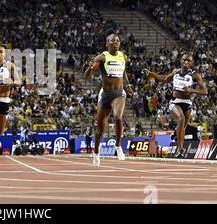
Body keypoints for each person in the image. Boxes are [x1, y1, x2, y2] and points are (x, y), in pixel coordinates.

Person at [142, 53, 207, 157]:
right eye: (184, 60)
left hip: (187, 103)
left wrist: (191, 90)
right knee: (181, 119)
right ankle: (180, 149)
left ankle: (176, 138)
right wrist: (151, 74)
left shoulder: (195, 75)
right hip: (175, 101)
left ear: (192, 63)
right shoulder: (175, 72)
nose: (186, 62)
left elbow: (205, 91)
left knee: (183, 127)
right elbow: (164, 78)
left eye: (189, 61)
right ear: (181, 60)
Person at [84, 34, 133, 167]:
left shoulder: (123, 57)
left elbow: (123, 73)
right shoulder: (102, 57)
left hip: (119, 93)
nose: (116, 42)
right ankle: (96, 152)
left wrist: (128, 86)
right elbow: (87, 75)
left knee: (118, 117)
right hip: (105, 94)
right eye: (112, 40)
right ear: (107, 43)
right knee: (100, 129)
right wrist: (89, 68)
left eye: (117, 40)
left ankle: (118, 146)